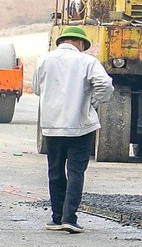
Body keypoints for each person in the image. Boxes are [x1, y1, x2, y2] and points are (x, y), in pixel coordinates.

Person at [32, 25, 114, 232]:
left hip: (52, 127)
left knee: (55, 172)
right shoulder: (88, 61)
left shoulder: (44, 60)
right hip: (80, 126)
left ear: (62, 41)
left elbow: (35, 89)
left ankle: (56, 218)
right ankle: (70, 218)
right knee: (76, 171)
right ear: (79, 43)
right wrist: (93, 102)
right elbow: (105, 85)